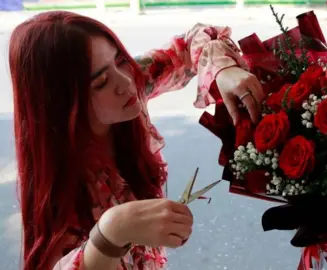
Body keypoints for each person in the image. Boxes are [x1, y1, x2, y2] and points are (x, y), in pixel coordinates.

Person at [9, 11, 264, 270]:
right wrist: (110, 233)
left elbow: (197, 38)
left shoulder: (134, 79)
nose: (127, 83)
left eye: (120, 60)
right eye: (101, 82)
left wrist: (223, 68)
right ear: (60, 104)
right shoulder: (61, 180)